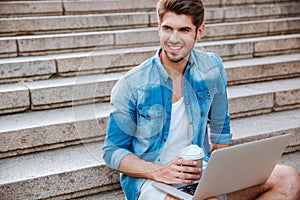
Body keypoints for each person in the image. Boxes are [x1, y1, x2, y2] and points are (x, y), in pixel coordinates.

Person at [102, 0, 300, 199]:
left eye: (184, 30)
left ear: (199, 31)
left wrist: (220, 174)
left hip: (200, 172)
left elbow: (221, 129)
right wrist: (158, 171)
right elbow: (113, 150)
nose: (174, 39)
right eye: (167, 28)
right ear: (158, 28)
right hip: (153, 180)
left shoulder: (211, 67)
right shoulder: (131, 83)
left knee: (288, 178)